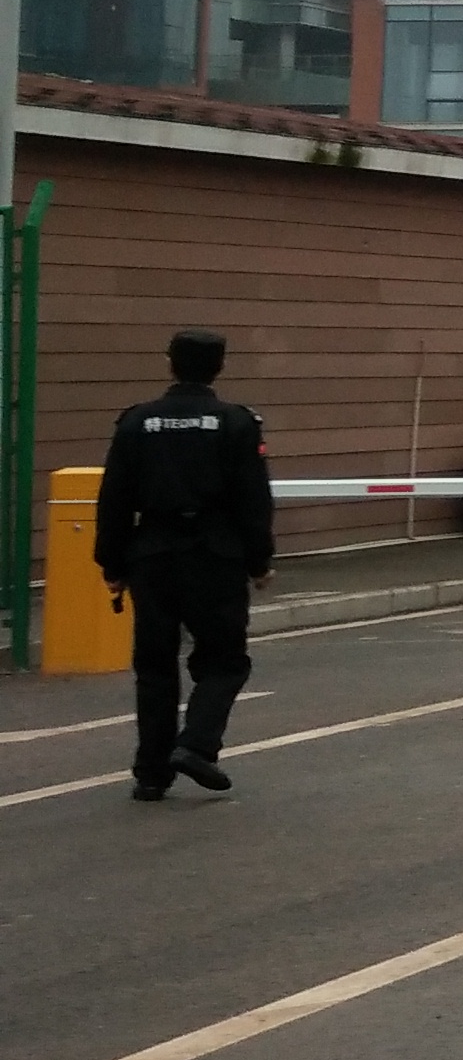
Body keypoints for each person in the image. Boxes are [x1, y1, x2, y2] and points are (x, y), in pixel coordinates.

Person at [99, 327, 275, 801]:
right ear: (219, 367)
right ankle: (196, 744)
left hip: (152, 553)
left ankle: (151, 773)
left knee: (155, 665)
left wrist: (112, 564)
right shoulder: (236, 422)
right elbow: (253, 499)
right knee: (224, 660)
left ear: (169, 363)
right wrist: (259, 561)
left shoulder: (137, 421)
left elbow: (114, 498)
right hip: (216, 553)